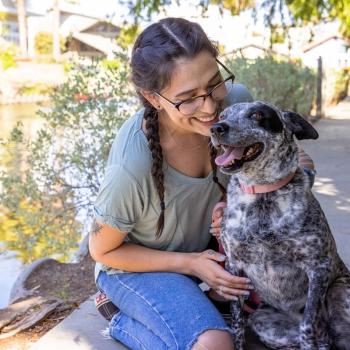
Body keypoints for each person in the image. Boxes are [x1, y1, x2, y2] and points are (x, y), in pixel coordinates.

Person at [88, 17, 315, 350]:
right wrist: (192, 264)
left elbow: (297, 162)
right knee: (216, 343)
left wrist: (243, 201)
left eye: (213, 84)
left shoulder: (236, 103)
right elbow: (103, 250)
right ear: (153, 99)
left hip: (207, 255)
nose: (210, 108)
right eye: (188, 98)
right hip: (135, 268)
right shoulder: (132, 167)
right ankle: (122, 317)